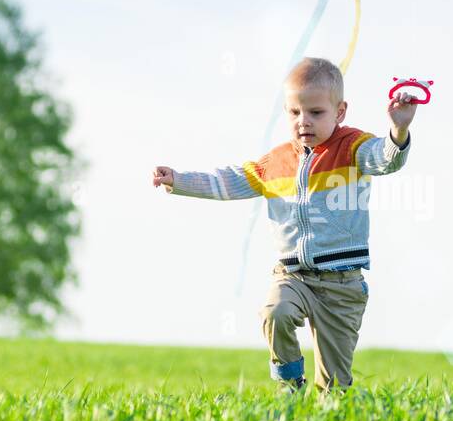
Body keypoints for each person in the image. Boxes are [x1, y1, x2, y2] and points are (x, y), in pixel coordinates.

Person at [153, 56, 419, 391]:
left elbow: (386, 158)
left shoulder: (353, 148)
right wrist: (179, 180)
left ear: (340, 112)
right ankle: (290, 384)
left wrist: (399, 130)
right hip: (292, 275)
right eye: (295, 112)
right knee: (274, 313)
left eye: (316, 112)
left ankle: (325, 414)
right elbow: (229, 181)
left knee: (334, 389)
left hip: (341, 285)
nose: (303, 121)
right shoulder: (276, 162)